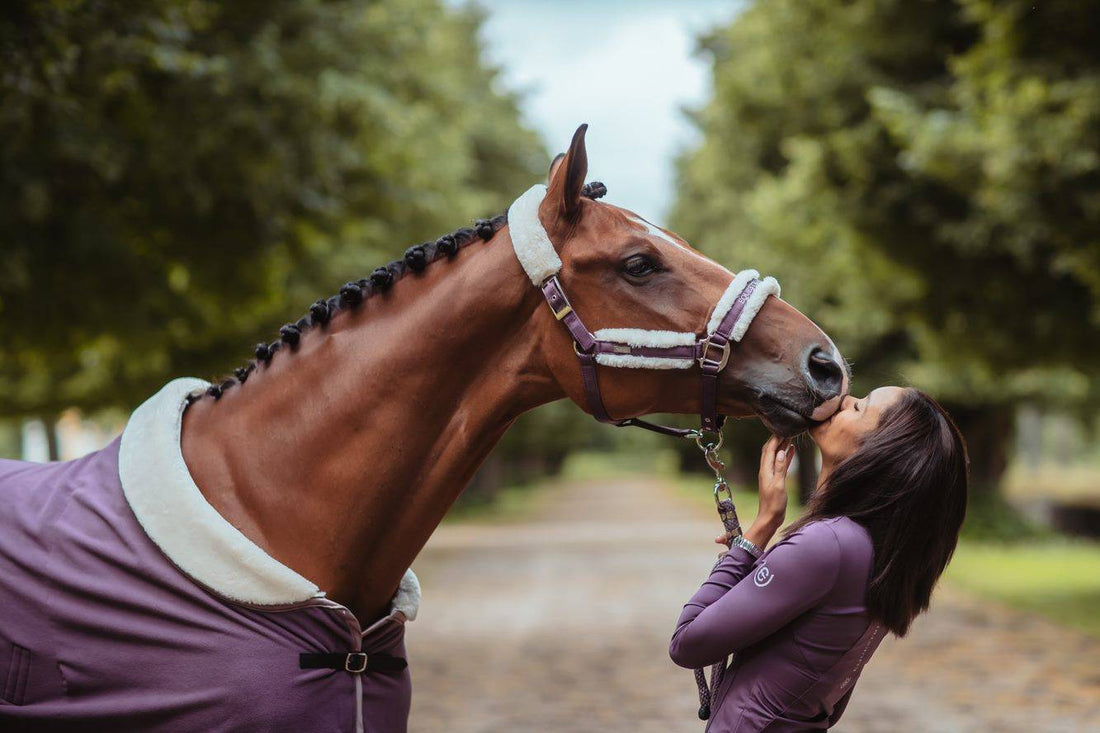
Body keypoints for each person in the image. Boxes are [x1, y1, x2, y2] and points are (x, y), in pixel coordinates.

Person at [669, 387, 969, 731]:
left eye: (858, 408)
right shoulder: (882, 554)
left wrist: (761, 528)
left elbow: (687, 643)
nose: (841, 402)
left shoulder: (828, 544)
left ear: (879, 451)